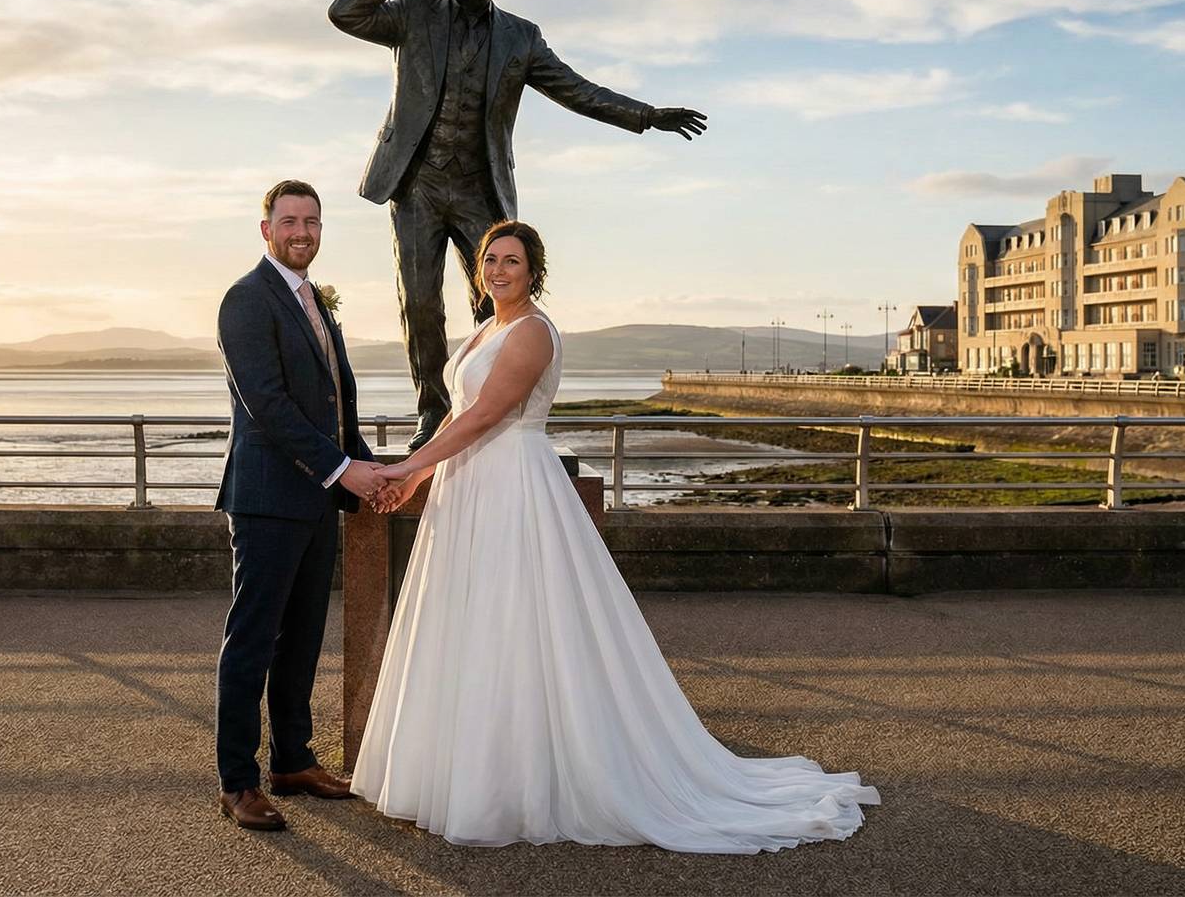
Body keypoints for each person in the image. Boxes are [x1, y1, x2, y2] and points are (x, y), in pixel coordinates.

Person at [354, 221, 879, 852]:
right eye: (490, 260)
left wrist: (407, 465)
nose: (498, 269)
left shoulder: (533, 333)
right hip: (467, 485)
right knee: (472, 623)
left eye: (512, 261)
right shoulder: (485, 331)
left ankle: (516, 782)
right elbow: (459, 419)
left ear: (533, 271)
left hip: (514, 486)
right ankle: (464, 771)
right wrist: (420, 480)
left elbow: (489, 415)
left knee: (514, 621)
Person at [330, 0, 708, 450]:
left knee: (499, 303)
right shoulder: (413, 14)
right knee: (420, 305)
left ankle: (494, 411)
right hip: (415, 183)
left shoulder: (520, 36)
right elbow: (344, 13)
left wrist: (646, 116)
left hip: (479, 188)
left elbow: (576, 90)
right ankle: (434, 414)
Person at [212, 180, 383, 831]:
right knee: (252, 641)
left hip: (316, 499)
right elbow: (270, 407)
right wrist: (344, 469)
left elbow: (333, 407)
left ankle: (293, 760)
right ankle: (237, 782)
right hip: (265, 499)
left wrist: (367, 468)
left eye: (312, 221)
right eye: (289, 221)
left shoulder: (317, 301)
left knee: (302, 639)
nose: (302, 232)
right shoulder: (246, 301)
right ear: (267, 231)